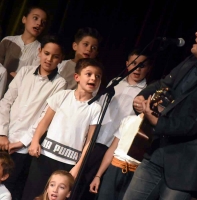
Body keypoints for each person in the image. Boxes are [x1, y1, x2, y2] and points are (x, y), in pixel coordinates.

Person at [123, 15, 197, 200]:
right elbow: (163, 84)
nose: (196, 33)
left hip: (184, 170)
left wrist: (158, 121)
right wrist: (142, 96)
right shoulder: (189, 63)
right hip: (156, 154)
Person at [75, 48, 152, 199]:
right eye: (134, 63)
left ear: (149, 68)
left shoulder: (146, 92)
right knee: (79, 183)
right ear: (127, 64)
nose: (138, 68)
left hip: (116, 149)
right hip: (97, 140)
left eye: (143, 65)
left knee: (97, 189)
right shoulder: (115, 83)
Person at [21, 58, 103, 200]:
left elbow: (90, 141)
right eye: (89, 74)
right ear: (77, 77)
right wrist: (35, 141)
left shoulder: (96, 108)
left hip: (68, 163)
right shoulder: (62, 96)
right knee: (33, 193)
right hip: (45, 155)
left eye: (97, 76)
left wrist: (78, 166)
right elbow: (44, 122)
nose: (93, 78)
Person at [0, 34, 67, 200]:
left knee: (10, 189)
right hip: (3, 136)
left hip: (22, 146)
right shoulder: (25, 72)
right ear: (39, 52)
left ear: (61, 59)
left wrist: (21, 142)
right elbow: (6, 101)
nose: (49, 59)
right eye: (46, 53)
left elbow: (45, 116)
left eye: (55, 56)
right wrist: (2, 132)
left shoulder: (60, 83)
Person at [89, 114, 144, 200]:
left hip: (135, 174)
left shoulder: (156, 127)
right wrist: (98, 176)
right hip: (115, 168)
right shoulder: (129, 120)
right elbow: (112, 149)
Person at [0, 5, 48, 91]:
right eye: (35, 18)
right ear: (24, 19)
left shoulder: (41, 50)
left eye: (43, 22)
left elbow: (33, 77)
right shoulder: (8, 41)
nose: (39, 23)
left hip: (18, 93)